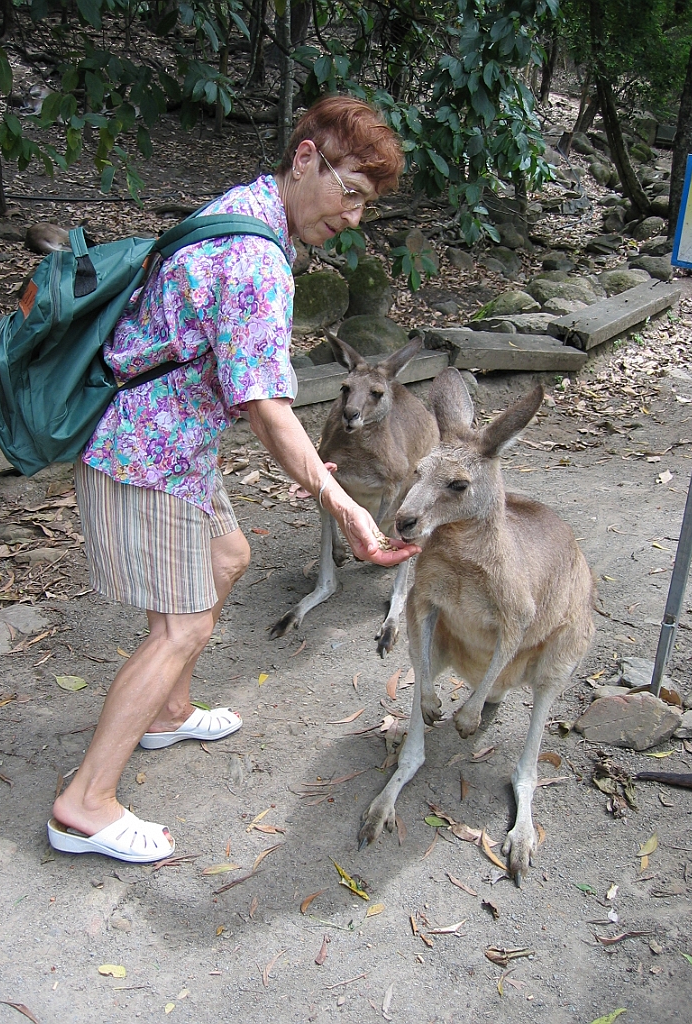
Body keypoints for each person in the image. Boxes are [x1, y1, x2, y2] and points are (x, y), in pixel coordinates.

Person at [47, 93, 419, 863]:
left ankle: (167, 711)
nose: (352, 217)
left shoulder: (250, 208)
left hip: (169, 440)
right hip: (142, 452)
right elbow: (269, 410)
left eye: (366, 206)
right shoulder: (256, 257)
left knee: (228, 557)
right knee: (182, 624)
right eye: (349, 192)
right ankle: (85, 802)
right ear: (306, 159)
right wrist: (345, 503)